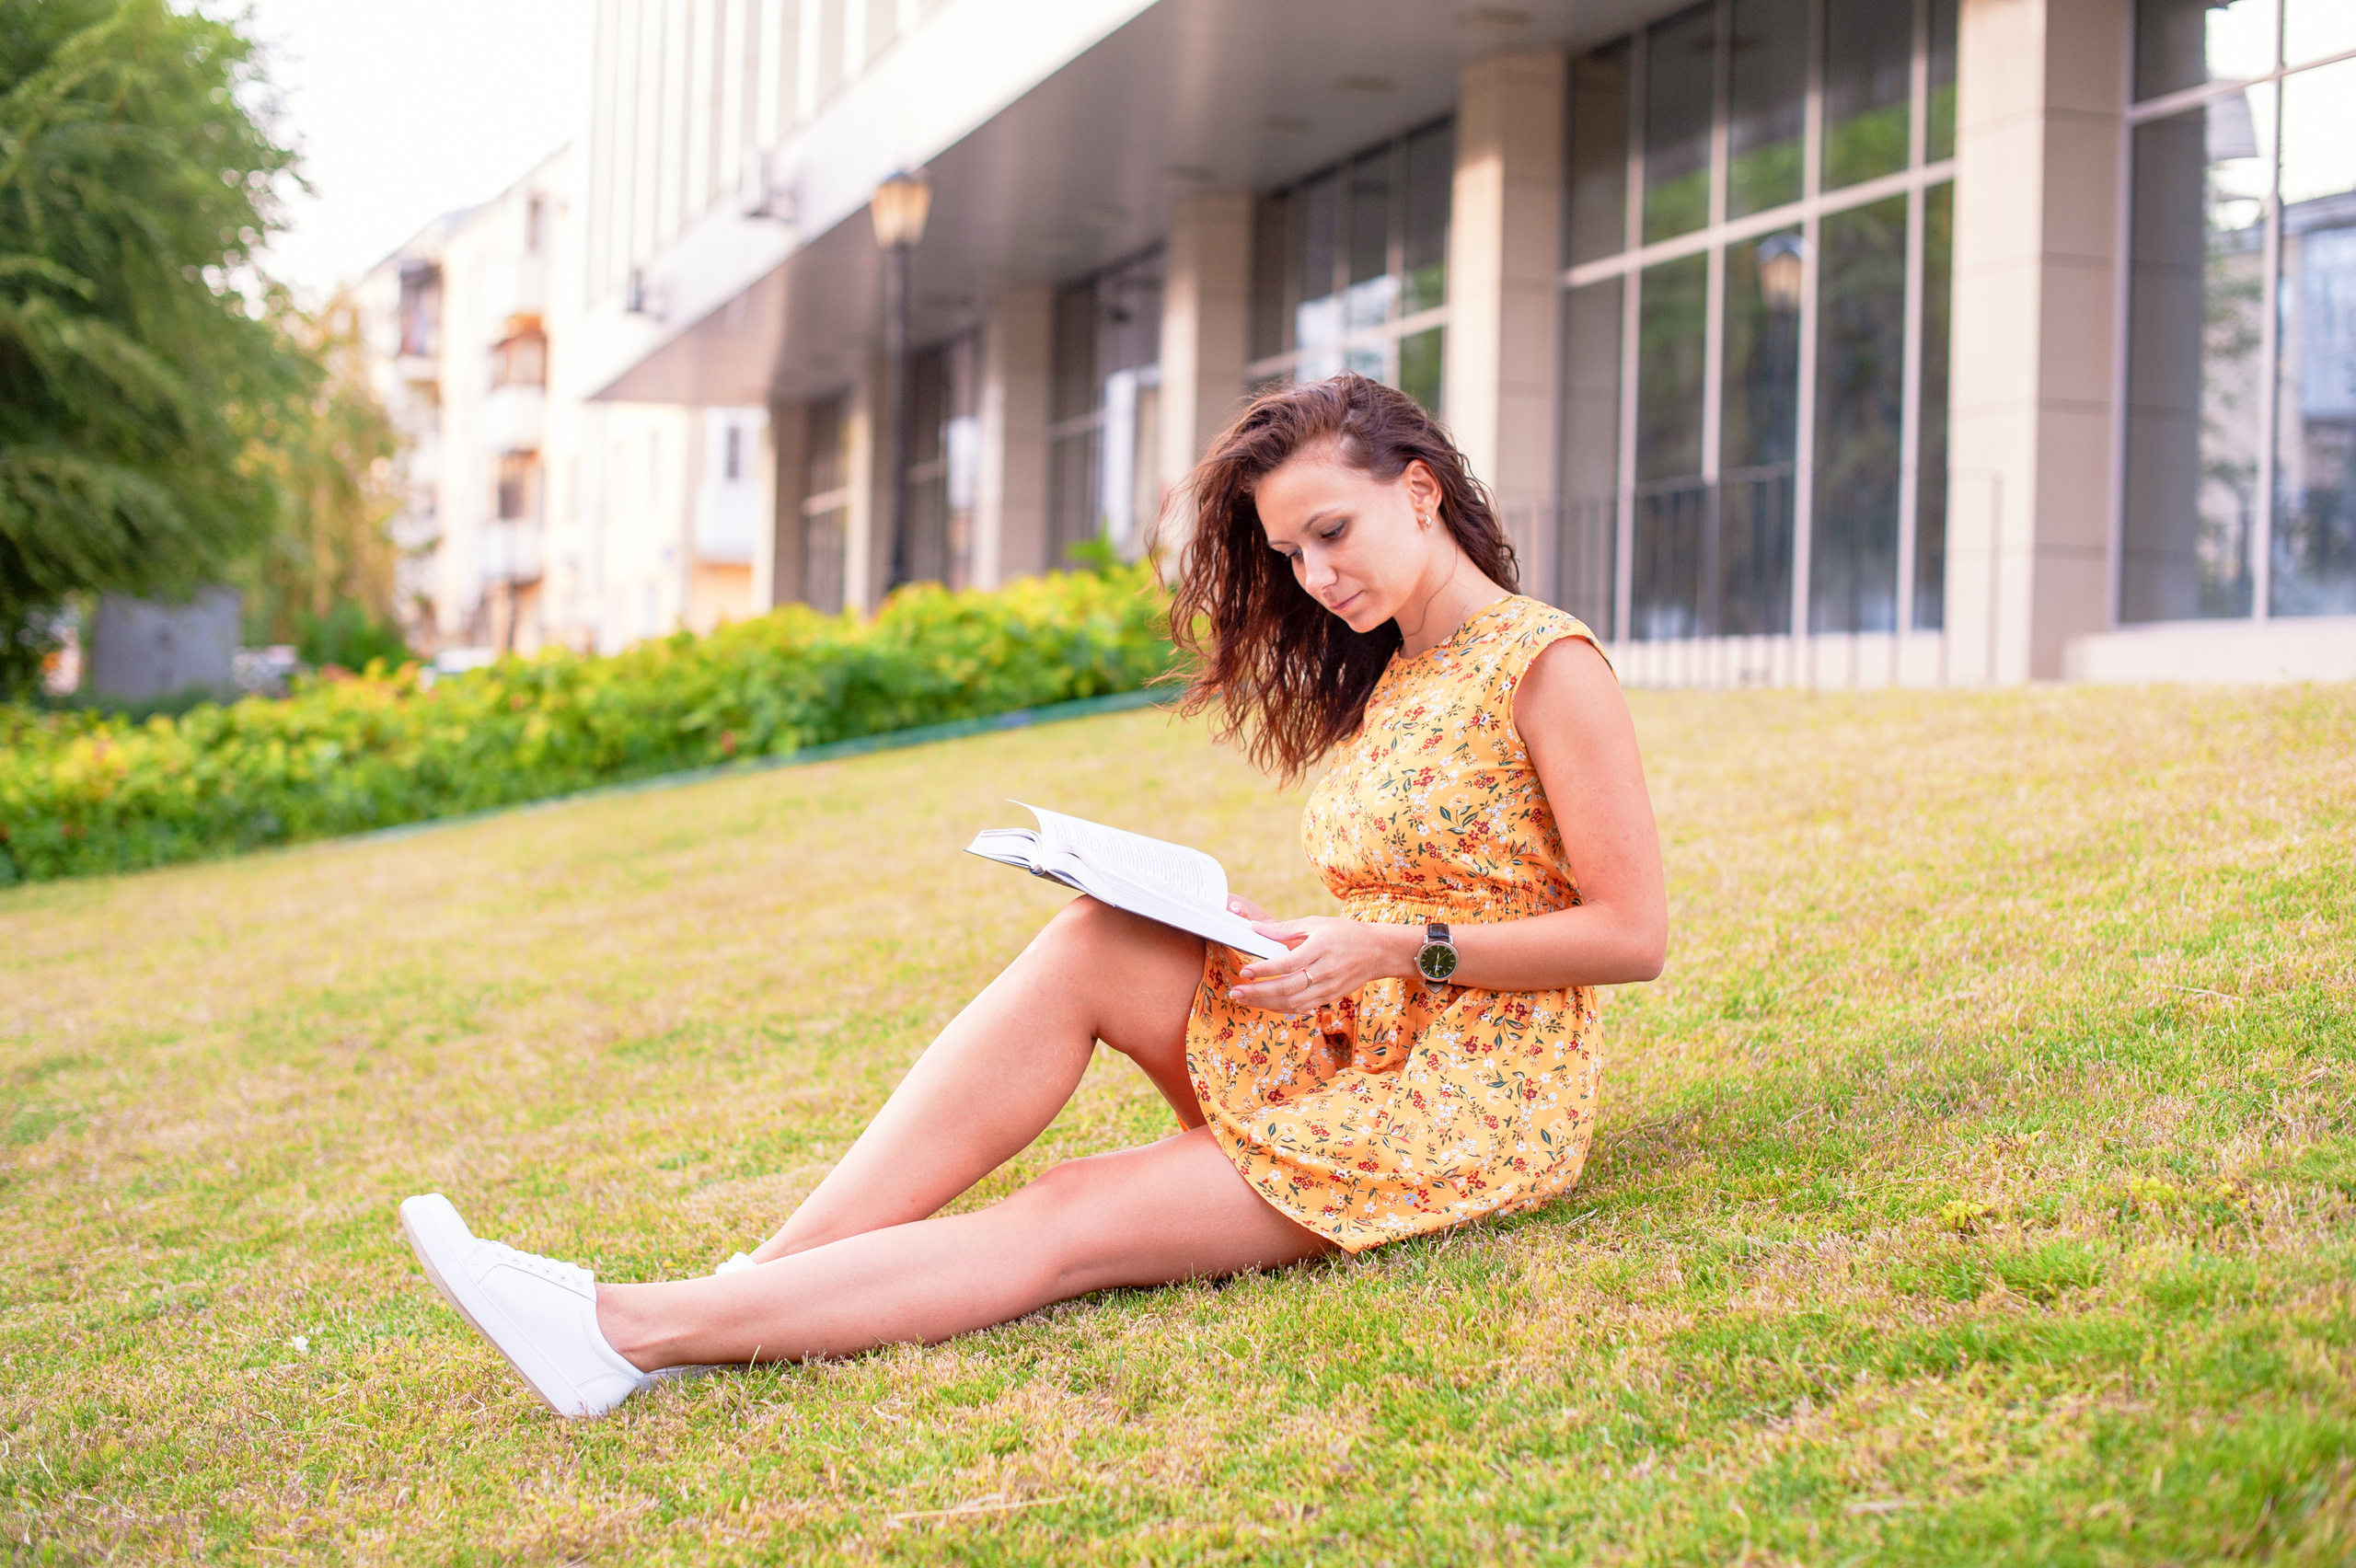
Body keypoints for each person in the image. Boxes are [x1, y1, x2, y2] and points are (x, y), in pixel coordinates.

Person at [398, 374, 1668, 1418]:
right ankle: (769, 1276)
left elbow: (1630, 934)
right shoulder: (1392, 675)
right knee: (1098, 936)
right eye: (1290, 555)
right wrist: (1290, 937)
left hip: (1466, 1099)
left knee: (1071, 1211)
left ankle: (625, 1331)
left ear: (1421, 488)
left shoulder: (1546, 664)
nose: (1316, 576)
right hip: (1355, 1033)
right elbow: (1410, 883)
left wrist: (1392, 944)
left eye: (1331, 534)